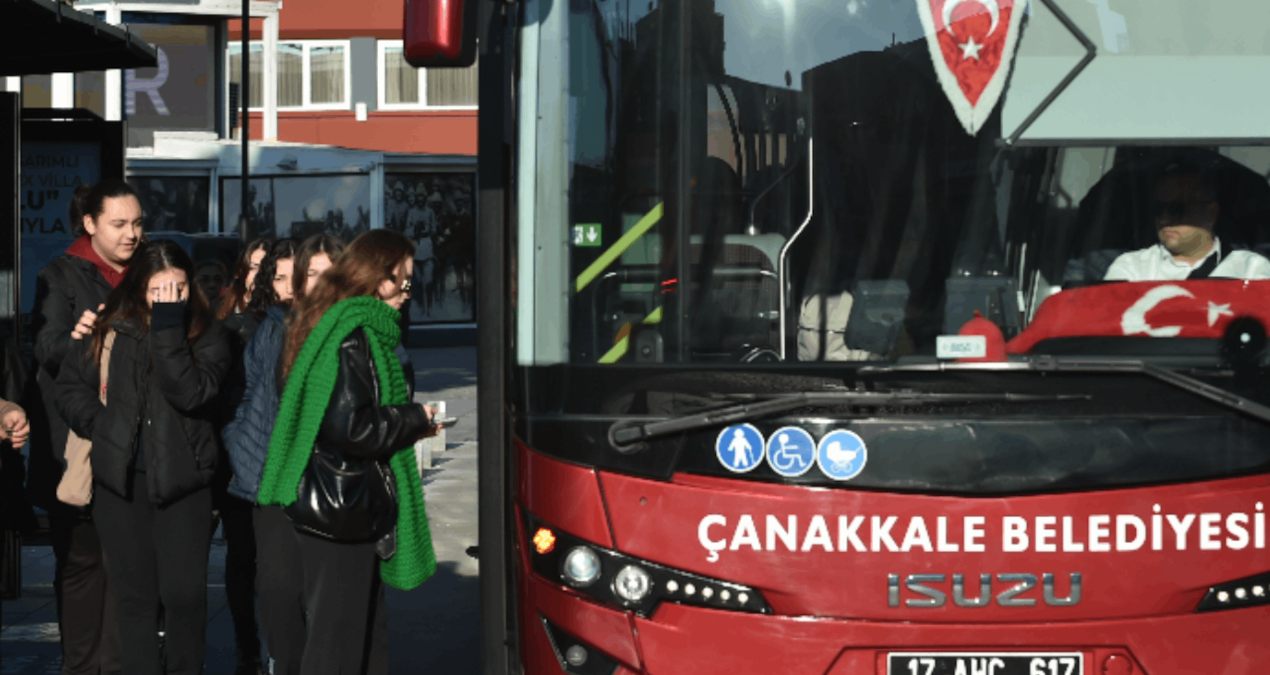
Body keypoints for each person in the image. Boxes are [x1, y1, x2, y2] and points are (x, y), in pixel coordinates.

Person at [258, 230, 438, 675]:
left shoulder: (350, 325)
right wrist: (415, 418)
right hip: (341, 507)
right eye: (402, 281)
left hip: (348, 506)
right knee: (337, 647)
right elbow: (351, 427)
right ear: (377, 278)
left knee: (358, 642)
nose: (407, 293)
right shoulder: (350, 333)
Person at [56, 240, 230, 675]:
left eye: (179, 287)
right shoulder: (112, 328)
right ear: (139, 289)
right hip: (121, 483)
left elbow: (189, 393)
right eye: (159, 290)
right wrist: (102, 427)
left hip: (183, 483)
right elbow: (70, 386)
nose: (170, 297)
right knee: (134, 600)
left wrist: (169, 325)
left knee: (185, 597)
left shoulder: (209, 335)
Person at [29, 180, 139, 675]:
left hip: (134, 443)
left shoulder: (151, 273)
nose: (132, 234)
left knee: (126, 570)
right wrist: (81, 340)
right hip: (74, 445)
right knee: (79, 564)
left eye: (137, 223)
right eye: (119, 224)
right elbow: (46, 350)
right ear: (90, 224)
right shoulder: (61, 275)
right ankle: (80, 666)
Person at [213, 237, 274, 675]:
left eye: (267, 265)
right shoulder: (226, 325)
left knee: (271, 560)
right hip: (233, 457)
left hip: (272, 458)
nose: (261, 273)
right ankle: (246, 643)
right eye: (254, 266)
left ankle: (271, 643)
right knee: (241, 555)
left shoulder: (281, 324)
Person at [1104, 162, 1270, 281]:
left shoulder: (1252, 269)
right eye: (1157, 209)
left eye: (1176, 209)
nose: (1164, 218)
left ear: (1211, 212)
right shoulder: (1131, 268)